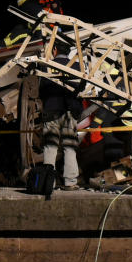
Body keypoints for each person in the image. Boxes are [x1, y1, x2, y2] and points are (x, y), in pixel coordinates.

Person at [39, 46, 82, 190]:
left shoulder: (47, 66)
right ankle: (70, 182)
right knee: (69, 146)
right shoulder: (76, 66)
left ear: (54, 49)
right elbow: (81, 89)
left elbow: (41, 90)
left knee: (50, 146)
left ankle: (48, 182)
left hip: (51, 109)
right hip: (70, 110)